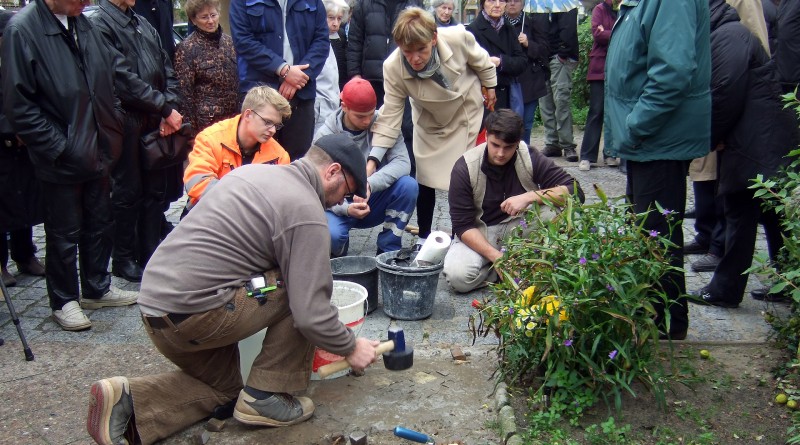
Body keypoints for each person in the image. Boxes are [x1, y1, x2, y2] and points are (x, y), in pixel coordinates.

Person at [85, 134, 382, 445]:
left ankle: (129, 404)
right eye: (345, 191)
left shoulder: (253, 171)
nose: (340, 202)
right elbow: (310, 313)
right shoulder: (306, 212)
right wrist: (350, 346)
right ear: (331, 171)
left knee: (227, 391)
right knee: (300, 287)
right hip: (198, 315)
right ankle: (264, 396)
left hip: (156, 311)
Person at [2, 0, 141, 331]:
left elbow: (108, 80)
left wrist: (113, 125)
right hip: (61, 154)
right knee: (63, 232)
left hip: (99, 145)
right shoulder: (22, 30)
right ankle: (64, 300)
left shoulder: (83, 24)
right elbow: (19, 105)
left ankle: (96, 286)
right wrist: (60, 147)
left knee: (99, 220)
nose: (85, 2)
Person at [604, 0, 711, 340]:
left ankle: (666, 322)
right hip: (648, 141)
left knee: (657, 233)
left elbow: (672, 72)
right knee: (648, 231)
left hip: (657, 137)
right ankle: (653, 314)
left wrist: (637, 123)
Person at [690, 0, 797, 307]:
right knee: (771, 213)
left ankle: (725, 289)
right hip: (764, 137)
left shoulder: (729, 35)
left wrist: (709, 138)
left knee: (740, 209)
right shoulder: (729, 33)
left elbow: (724, 91)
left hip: (754, 140)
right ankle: (789, 283)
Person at [371, 7, 497, 246]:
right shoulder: (392, 67)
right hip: (429, 121)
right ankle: (425, 235)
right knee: (424, 176)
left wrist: (490, 86)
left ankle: (463, 234)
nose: (415, 58)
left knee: (462, 177)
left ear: (434, 39)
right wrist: (373, 159)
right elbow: (390, 116)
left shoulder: (458, 38)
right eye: (408, 52)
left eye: (422, 49)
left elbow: (482, 62)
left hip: (465, 114)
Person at [89, 0, 185, 278]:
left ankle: (150, 251)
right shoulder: (100, 23)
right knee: (127, 190)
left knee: (154, 190)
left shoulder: (142, 23)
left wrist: (170, 107)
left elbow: (167, 68)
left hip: (155, 120)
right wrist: (164, 107)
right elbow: (120, 76)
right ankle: (123, 258)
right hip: (125, 120)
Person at [443, 109, 582, 293]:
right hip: (481, 232)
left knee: (555, 214)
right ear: (486, 137)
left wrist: (530, 197)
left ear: (517, 143)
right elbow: (463, 226)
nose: (500, 153)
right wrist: (496, 256)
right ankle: (512, 267)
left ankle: (510, 267)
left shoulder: (529, 156)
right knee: (458, 277)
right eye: (495, 145)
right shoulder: (464, 167)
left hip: (521, 227)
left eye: (508, 147)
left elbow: (575, 191)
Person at [315, 78, 418, 256]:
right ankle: (337, 253)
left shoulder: (385, 123)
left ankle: (388, 249)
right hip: (338, 206)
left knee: (408, 186)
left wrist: (369, 184)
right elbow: (315, 187)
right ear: (344, 106)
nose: (367, 121)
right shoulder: (325, 135)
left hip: (373, 199)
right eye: (361, 116)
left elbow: (403, 163)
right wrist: (345, 209)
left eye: (371, 114)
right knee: (332, 235)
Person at [229, 0, 329, 160]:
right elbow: (243, 41)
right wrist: (283, 69)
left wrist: (299, 77)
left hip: (301, 93)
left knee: (298, 161)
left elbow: (322, 41)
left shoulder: (314, 2)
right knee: (256, 159)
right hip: (259, 95)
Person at [184, 86, 292, 210]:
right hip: (210, 211)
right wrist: (238, 203)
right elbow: (197, 181)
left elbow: (279, 198)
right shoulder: (210, 138)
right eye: (267, 122)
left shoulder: (279, 156)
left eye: (276, 125)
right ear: (247, 115)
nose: (272, 130)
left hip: (252, 217)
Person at [0, 9, 45, 288]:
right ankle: (2, 264)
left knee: (25, 202)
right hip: (3, 145)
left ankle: (25, 254)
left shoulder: (18, 58)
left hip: (23, 143)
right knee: (3, 205)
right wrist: (9, 128)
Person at [174, 0, 239, 133]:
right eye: (204, 17)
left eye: (213, 15)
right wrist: (191, 133)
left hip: (232, 120)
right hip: (206, 125)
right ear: (193, 20)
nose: (210, 21)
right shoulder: (187, 48)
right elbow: (185, 94)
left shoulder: (229, 42)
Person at [532, 8, 579, 162]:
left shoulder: (565, 5)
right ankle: (552, 143)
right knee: (545, 102)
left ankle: (567, 144)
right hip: (542, 58)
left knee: (561, 101)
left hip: (560, 57)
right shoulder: (537, 6)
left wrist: (563, 54)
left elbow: (569, 29)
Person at [578, 0, 618, 171]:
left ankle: (611, 153)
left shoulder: (625, 10)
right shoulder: (599, 9)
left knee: (614, 112)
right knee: (596, 111)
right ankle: (587, 156)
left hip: (618, 67)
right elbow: (598, 35)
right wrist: (617, 33)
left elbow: (630, 35)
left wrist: (608, 32)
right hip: (599, 68)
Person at [466, 0, 528, 112]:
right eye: (492, 0)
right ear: (483, 3)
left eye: (502, 1)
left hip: (507, 96)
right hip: (482, 97)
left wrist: (501, 62)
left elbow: (522, 62)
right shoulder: (472, 30)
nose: (497, 5)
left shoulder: (510, 29)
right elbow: (468, 66)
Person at [504, 0, 548, 145]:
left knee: (526, 124)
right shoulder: (500, 23)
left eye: (516, 1)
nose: (512, 4)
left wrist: (529, 44)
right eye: (508, 1)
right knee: (507, 124)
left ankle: (524, 153)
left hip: (530, 81)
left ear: (523, 4)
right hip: (507, 80)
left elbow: (544, 50)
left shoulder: (531, 22)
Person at [314, 0, 349, 132]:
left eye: (339, 19)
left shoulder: (337, 39)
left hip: (334, 103)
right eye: (331, 18)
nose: (335, 23)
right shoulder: (314, 41)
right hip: (319, 106)